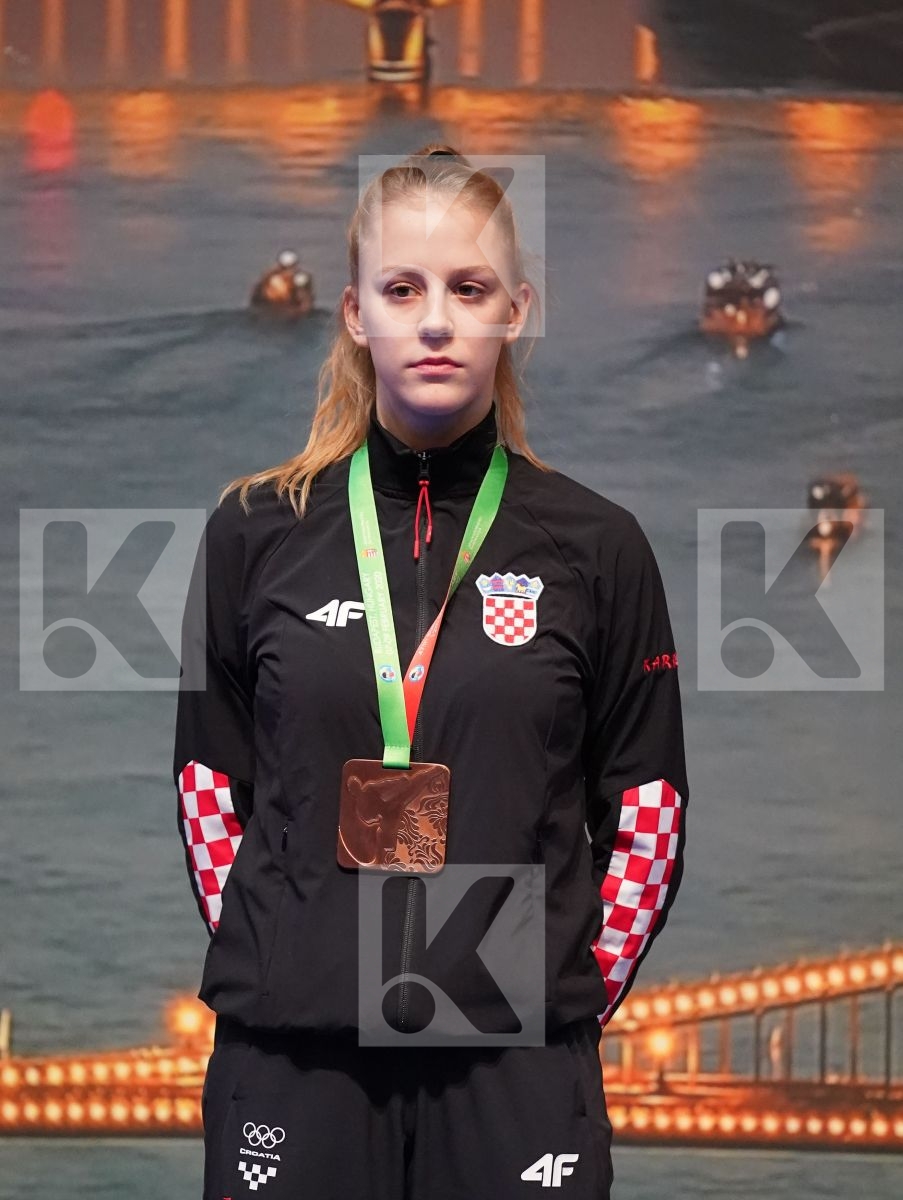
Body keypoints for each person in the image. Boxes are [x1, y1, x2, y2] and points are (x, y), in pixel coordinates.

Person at [174, 142, 690, 1199]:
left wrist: (567, 986)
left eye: (469, 288)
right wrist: (292, 952)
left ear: (517, 309)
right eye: (402, 290)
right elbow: (208, 788)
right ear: (356, 314)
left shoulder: (596, 545)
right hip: (296, 1051)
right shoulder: (255, 532)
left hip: (513, 1054)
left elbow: (648, 808)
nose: (437, 319)